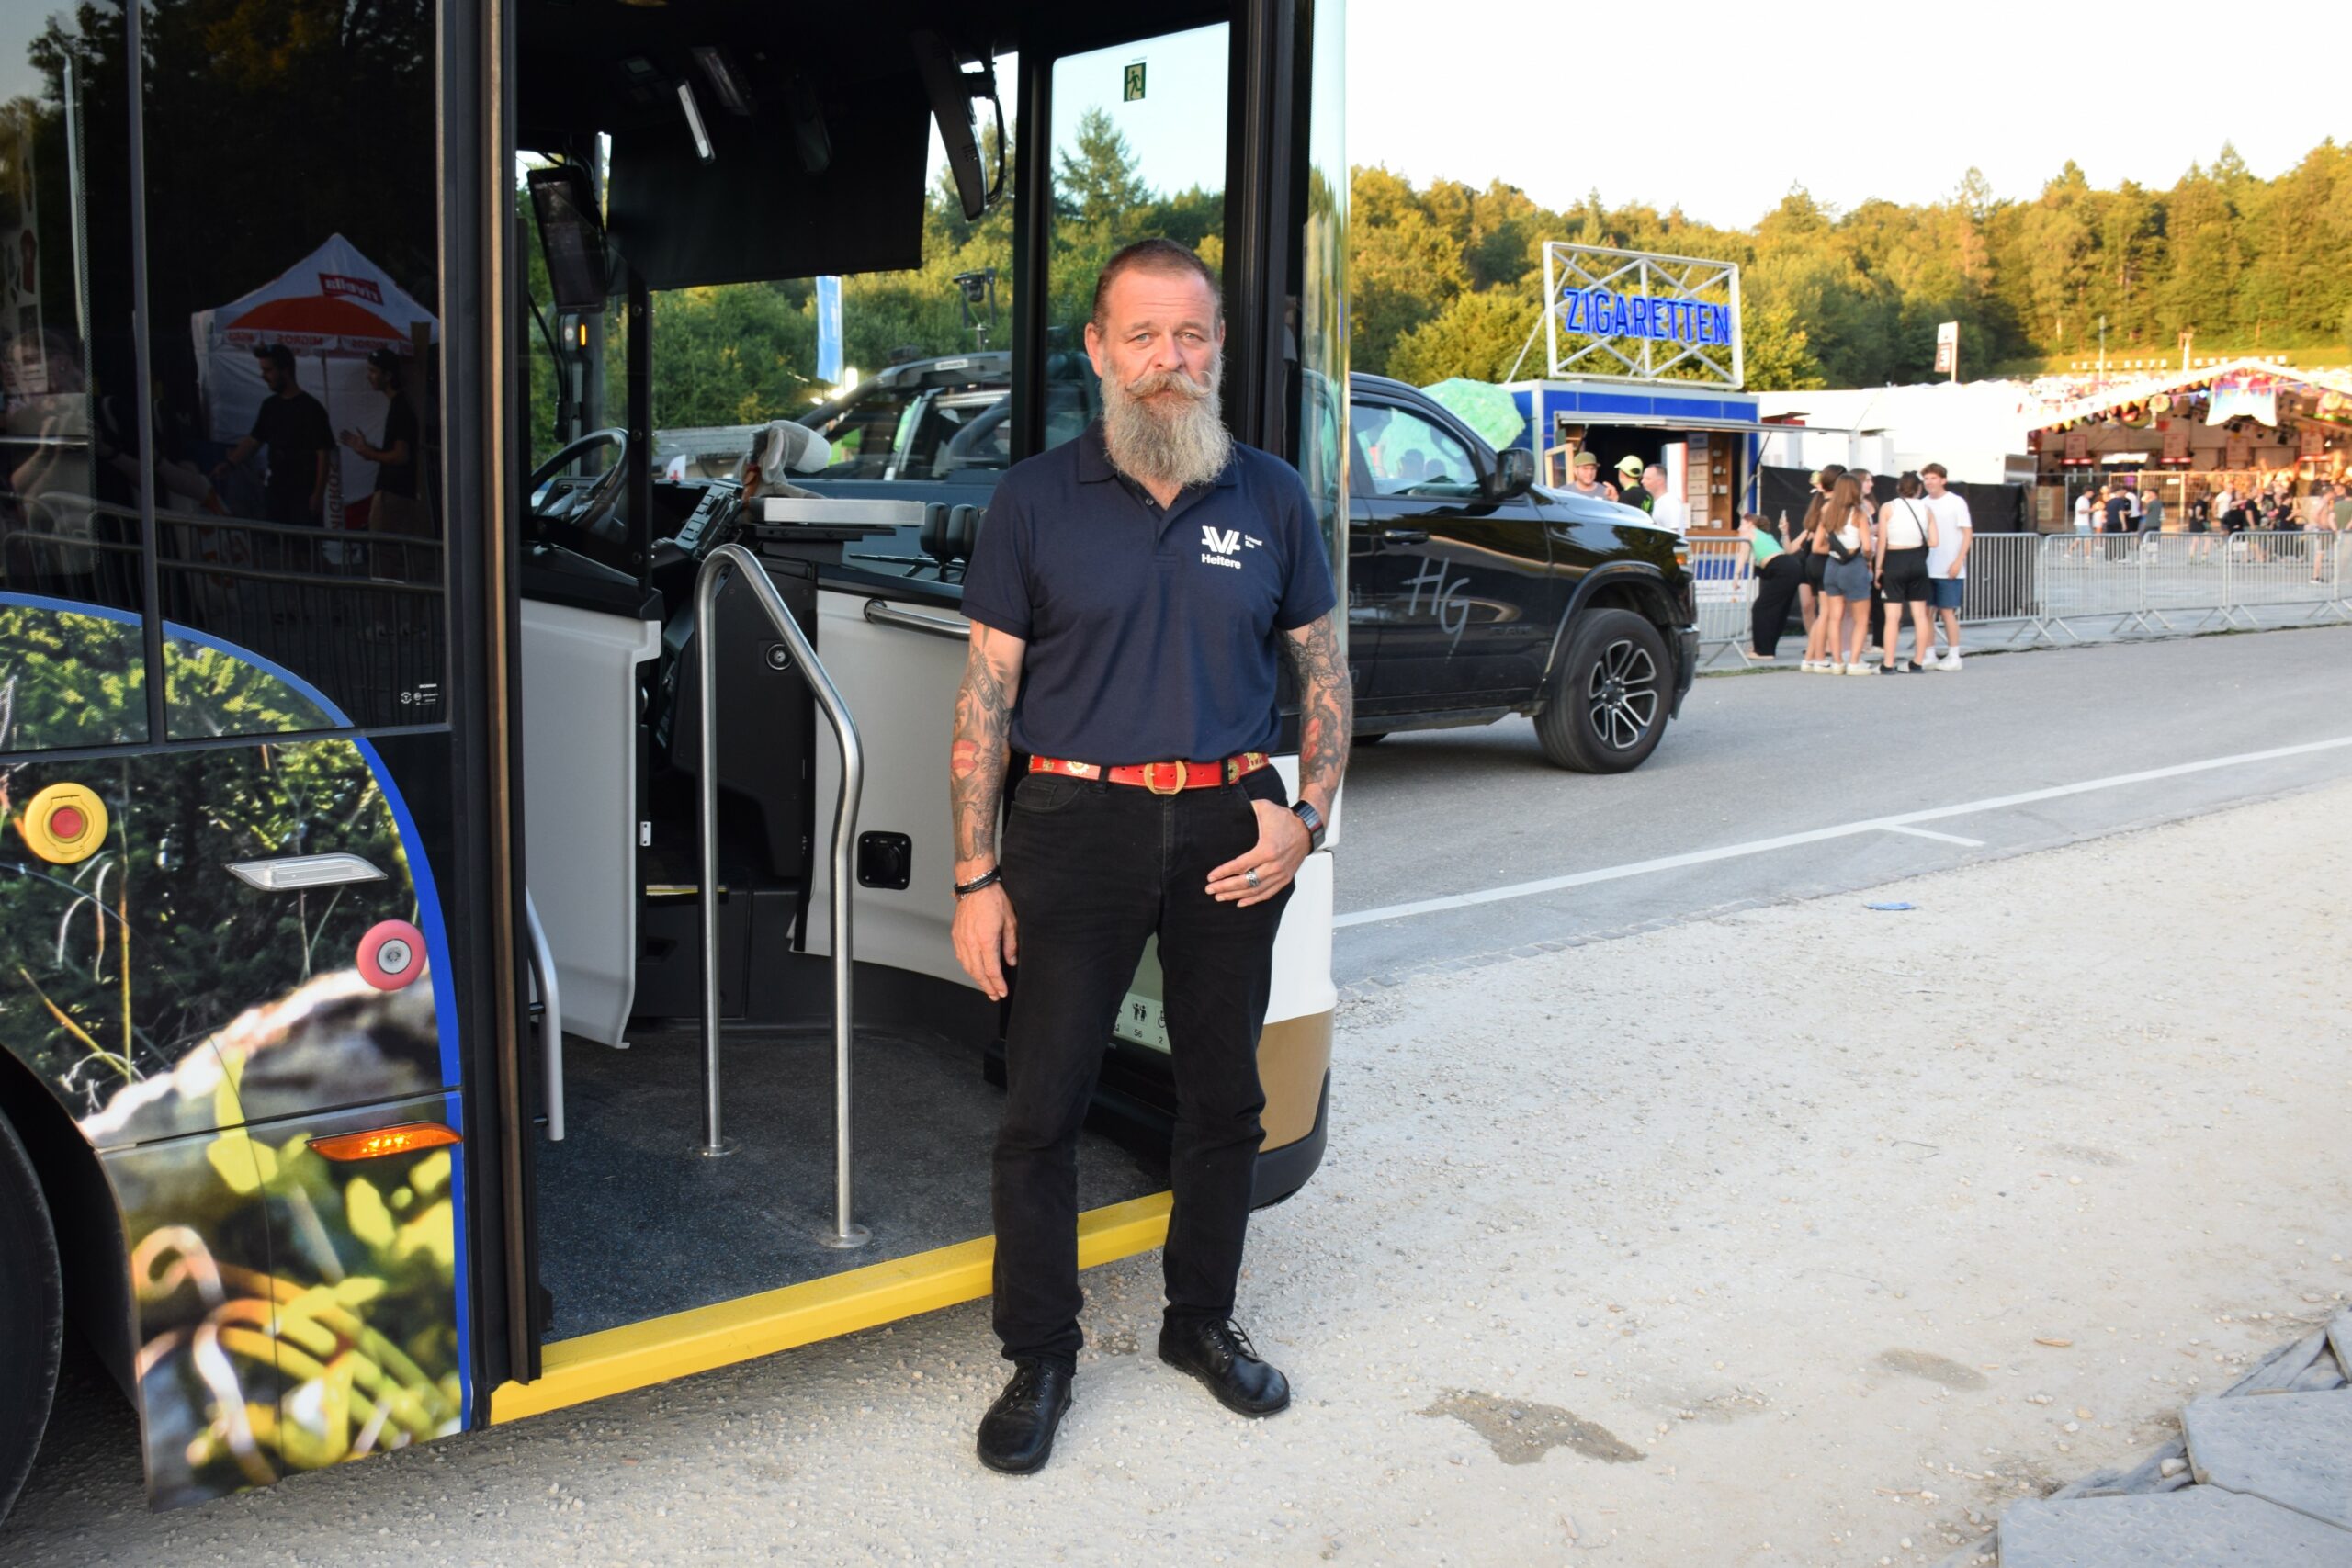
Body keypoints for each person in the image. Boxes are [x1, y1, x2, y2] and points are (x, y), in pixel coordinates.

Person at [950, 238, 1349, 1475]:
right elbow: (985, 697)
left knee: (1225, 1092)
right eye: (1144, 337)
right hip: (1075, 825)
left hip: (1233, 826)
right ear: (1098, 352)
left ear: (1215, 348)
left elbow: (1325, 673)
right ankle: (1042, 1351)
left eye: (1192, 337)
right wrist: (976, 877)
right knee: (1044, 1103)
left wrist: (1306, 814)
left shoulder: (1273, 495)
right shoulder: (1032, 499)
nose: (1170, 362)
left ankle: (1201, 1320)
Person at [215, 343, 333, 534]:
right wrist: (230, 463)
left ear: (285, 371)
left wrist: (318, 494)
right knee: (281, 544)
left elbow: (323, 454)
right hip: (277, 489)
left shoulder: (311, 409)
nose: (264, 376)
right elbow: (254, 440)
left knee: (305, 548)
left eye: (268, 370)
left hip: (303, 491)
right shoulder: (270, 406)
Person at [339, 347, 422, 575]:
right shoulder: (399, 406)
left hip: (392, 493)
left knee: (383, 558)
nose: (369, 376)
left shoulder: (401, 408)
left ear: (388, 376)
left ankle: (385, 606)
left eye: (373, 371)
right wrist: (369, 450)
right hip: (397, 491)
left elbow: (400, 455)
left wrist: (368, 452)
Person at [1802, 475, 1873, 674]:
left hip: (1832, 567)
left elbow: (1818, 545)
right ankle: (1854, 662)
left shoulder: (1826, 510)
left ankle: (1837, 661)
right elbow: (1867, 545)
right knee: (1861, 618)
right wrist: (1866, 557)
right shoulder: (1860, 513)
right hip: (1854, 566)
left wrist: (1838, 552)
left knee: (1834, 617)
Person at [1874, 472, 1939, 672]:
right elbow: (1935, 542)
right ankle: (1918, 662)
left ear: (1898, 488)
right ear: (1919, 489)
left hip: (1894, 560)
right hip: (1917, 561)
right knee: (1920, 615)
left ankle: (1888, 663)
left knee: (1892, 615)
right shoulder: (1926, 509)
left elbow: (1882, 541)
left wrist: (1878, 568)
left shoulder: (1888, 507)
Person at [1920, 461, 1972, 670]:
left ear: (1943, 480)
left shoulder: (1956, 502)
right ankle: (1929, 653)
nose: (1929, 482)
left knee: (1947, 611)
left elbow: (1967, 533)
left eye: (1933, 478)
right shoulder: (1922, 503)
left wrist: (1958, 561)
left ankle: (1954, 654)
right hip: (1927, 565)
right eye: (1926, 479)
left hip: (1949, 564)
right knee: (1926, 612)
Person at [1738, 510, 1802, 662]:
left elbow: (1743, 555)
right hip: (1791, 566)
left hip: (1782, 569)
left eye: (1741, 523)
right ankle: (1767, 648)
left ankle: (1763, 650)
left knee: (1761, 608)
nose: (1739, 528)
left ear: (1749, 523)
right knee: (1779, 610)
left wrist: (1736, 575)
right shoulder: (1766, 536)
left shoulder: (1750, 534)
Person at [1641, 463, 1686, 536]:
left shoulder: (1671, 502)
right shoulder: (1655, 503)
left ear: (1660, 481)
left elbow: (1673, 533)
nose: (1642, 481)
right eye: (1643, 478)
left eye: (1648, 479)